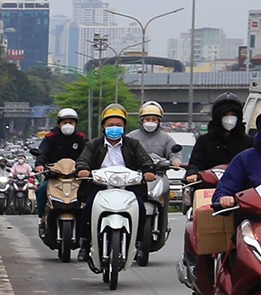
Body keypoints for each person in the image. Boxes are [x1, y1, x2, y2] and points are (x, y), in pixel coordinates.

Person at [73, 105, 157, 262]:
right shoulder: (94, 145)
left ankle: (138, 244)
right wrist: (83, 169)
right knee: (87, 208)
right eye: (110, 125)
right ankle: (85, 244)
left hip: (129, 187)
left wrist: (148, 172)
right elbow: (83, 160)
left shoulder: (133, 144)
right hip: (99, 186)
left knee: (140, 208)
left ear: (124, 126)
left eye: (118, 125)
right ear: (103, 127)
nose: (114, 128)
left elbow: (146, 161)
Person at [32, 109, 87, 231]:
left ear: (75, 124)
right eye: (65, 122)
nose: (68, 125)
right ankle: (42, 218)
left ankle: (87, 222)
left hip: (75, 176)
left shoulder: (80, 138)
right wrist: (40, 164)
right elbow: (42, 152)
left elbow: (87, 154)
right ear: (59, 124)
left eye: (71, 122)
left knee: (89, 193)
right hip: (54, 176)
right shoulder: (51, 137)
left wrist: (87, 168)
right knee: (42, 190)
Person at [129, 101, 182, 169]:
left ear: (159, 121)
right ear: (142, 121)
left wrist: (176, 161)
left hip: (160, 174)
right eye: (147, 119)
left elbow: (174, 153)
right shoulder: (131, 137)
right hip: (136, 174)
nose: (150, 122)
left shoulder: (166, 138)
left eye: (154, 120)